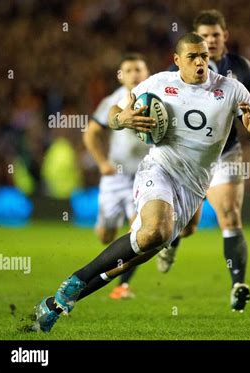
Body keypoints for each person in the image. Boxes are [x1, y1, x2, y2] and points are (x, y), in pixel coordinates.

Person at [30, 32, 250, 333]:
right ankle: (77, 279)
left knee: (136, 255)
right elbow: (114, 112)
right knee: (153, 232)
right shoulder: (160, 83)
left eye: (204, 56)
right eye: (192, 57)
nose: (200, 62)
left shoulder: (232, 89)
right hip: (158, 169)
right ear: (177, 61)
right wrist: (125, 119)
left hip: (193, 189)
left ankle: (56, 305)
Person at [156, 9, 250, 312]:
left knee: (230, 215)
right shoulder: (175, 73)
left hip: (226, 153)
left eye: (215, 36)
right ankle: (173, 243)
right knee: (188, 226)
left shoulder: (239, 69)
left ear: (224, 37)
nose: (211, 41)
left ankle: (238, 285)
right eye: (205, 36)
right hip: (190, 158)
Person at [83, 53, 150, 300]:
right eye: (129, 70)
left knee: (141, 232)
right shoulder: (112, 101)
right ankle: (107, 222)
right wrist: (102, 163)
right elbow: (90, 134)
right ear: (121, 76)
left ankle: (122, 286)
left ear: (147, 73)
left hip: (144, 176)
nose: (134, 74)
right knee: (105, 237)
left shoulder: (158, 98)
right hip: (114, 177)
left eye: (139, 69)